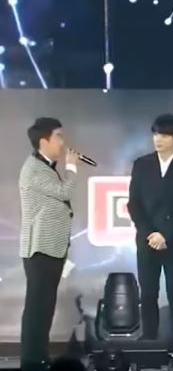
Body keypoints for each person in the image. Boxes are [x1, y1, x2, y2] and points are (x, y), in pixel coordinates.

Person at [128, 114, 173, 371]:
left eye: (164, 135)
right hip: (146, 240)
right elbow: (134, 204)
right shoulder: (142, 165)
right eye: (156, 134)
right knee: (148, 294)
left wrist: (165, 234)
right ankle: (149, 348)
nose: (158, 139)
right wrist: (150, 233)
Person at [19, 118, 86, 371]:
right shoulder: (34, 168)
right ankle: (32, 360)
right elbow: (64, 192)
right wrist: (72, 168)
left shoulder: (45, 167)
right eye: (58, 136)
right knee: (37, 308)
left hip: (51, 248)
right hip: (40, 249)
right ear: (43, 140)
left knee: (45, 308)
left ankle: (39, 357)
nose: (62, 142)